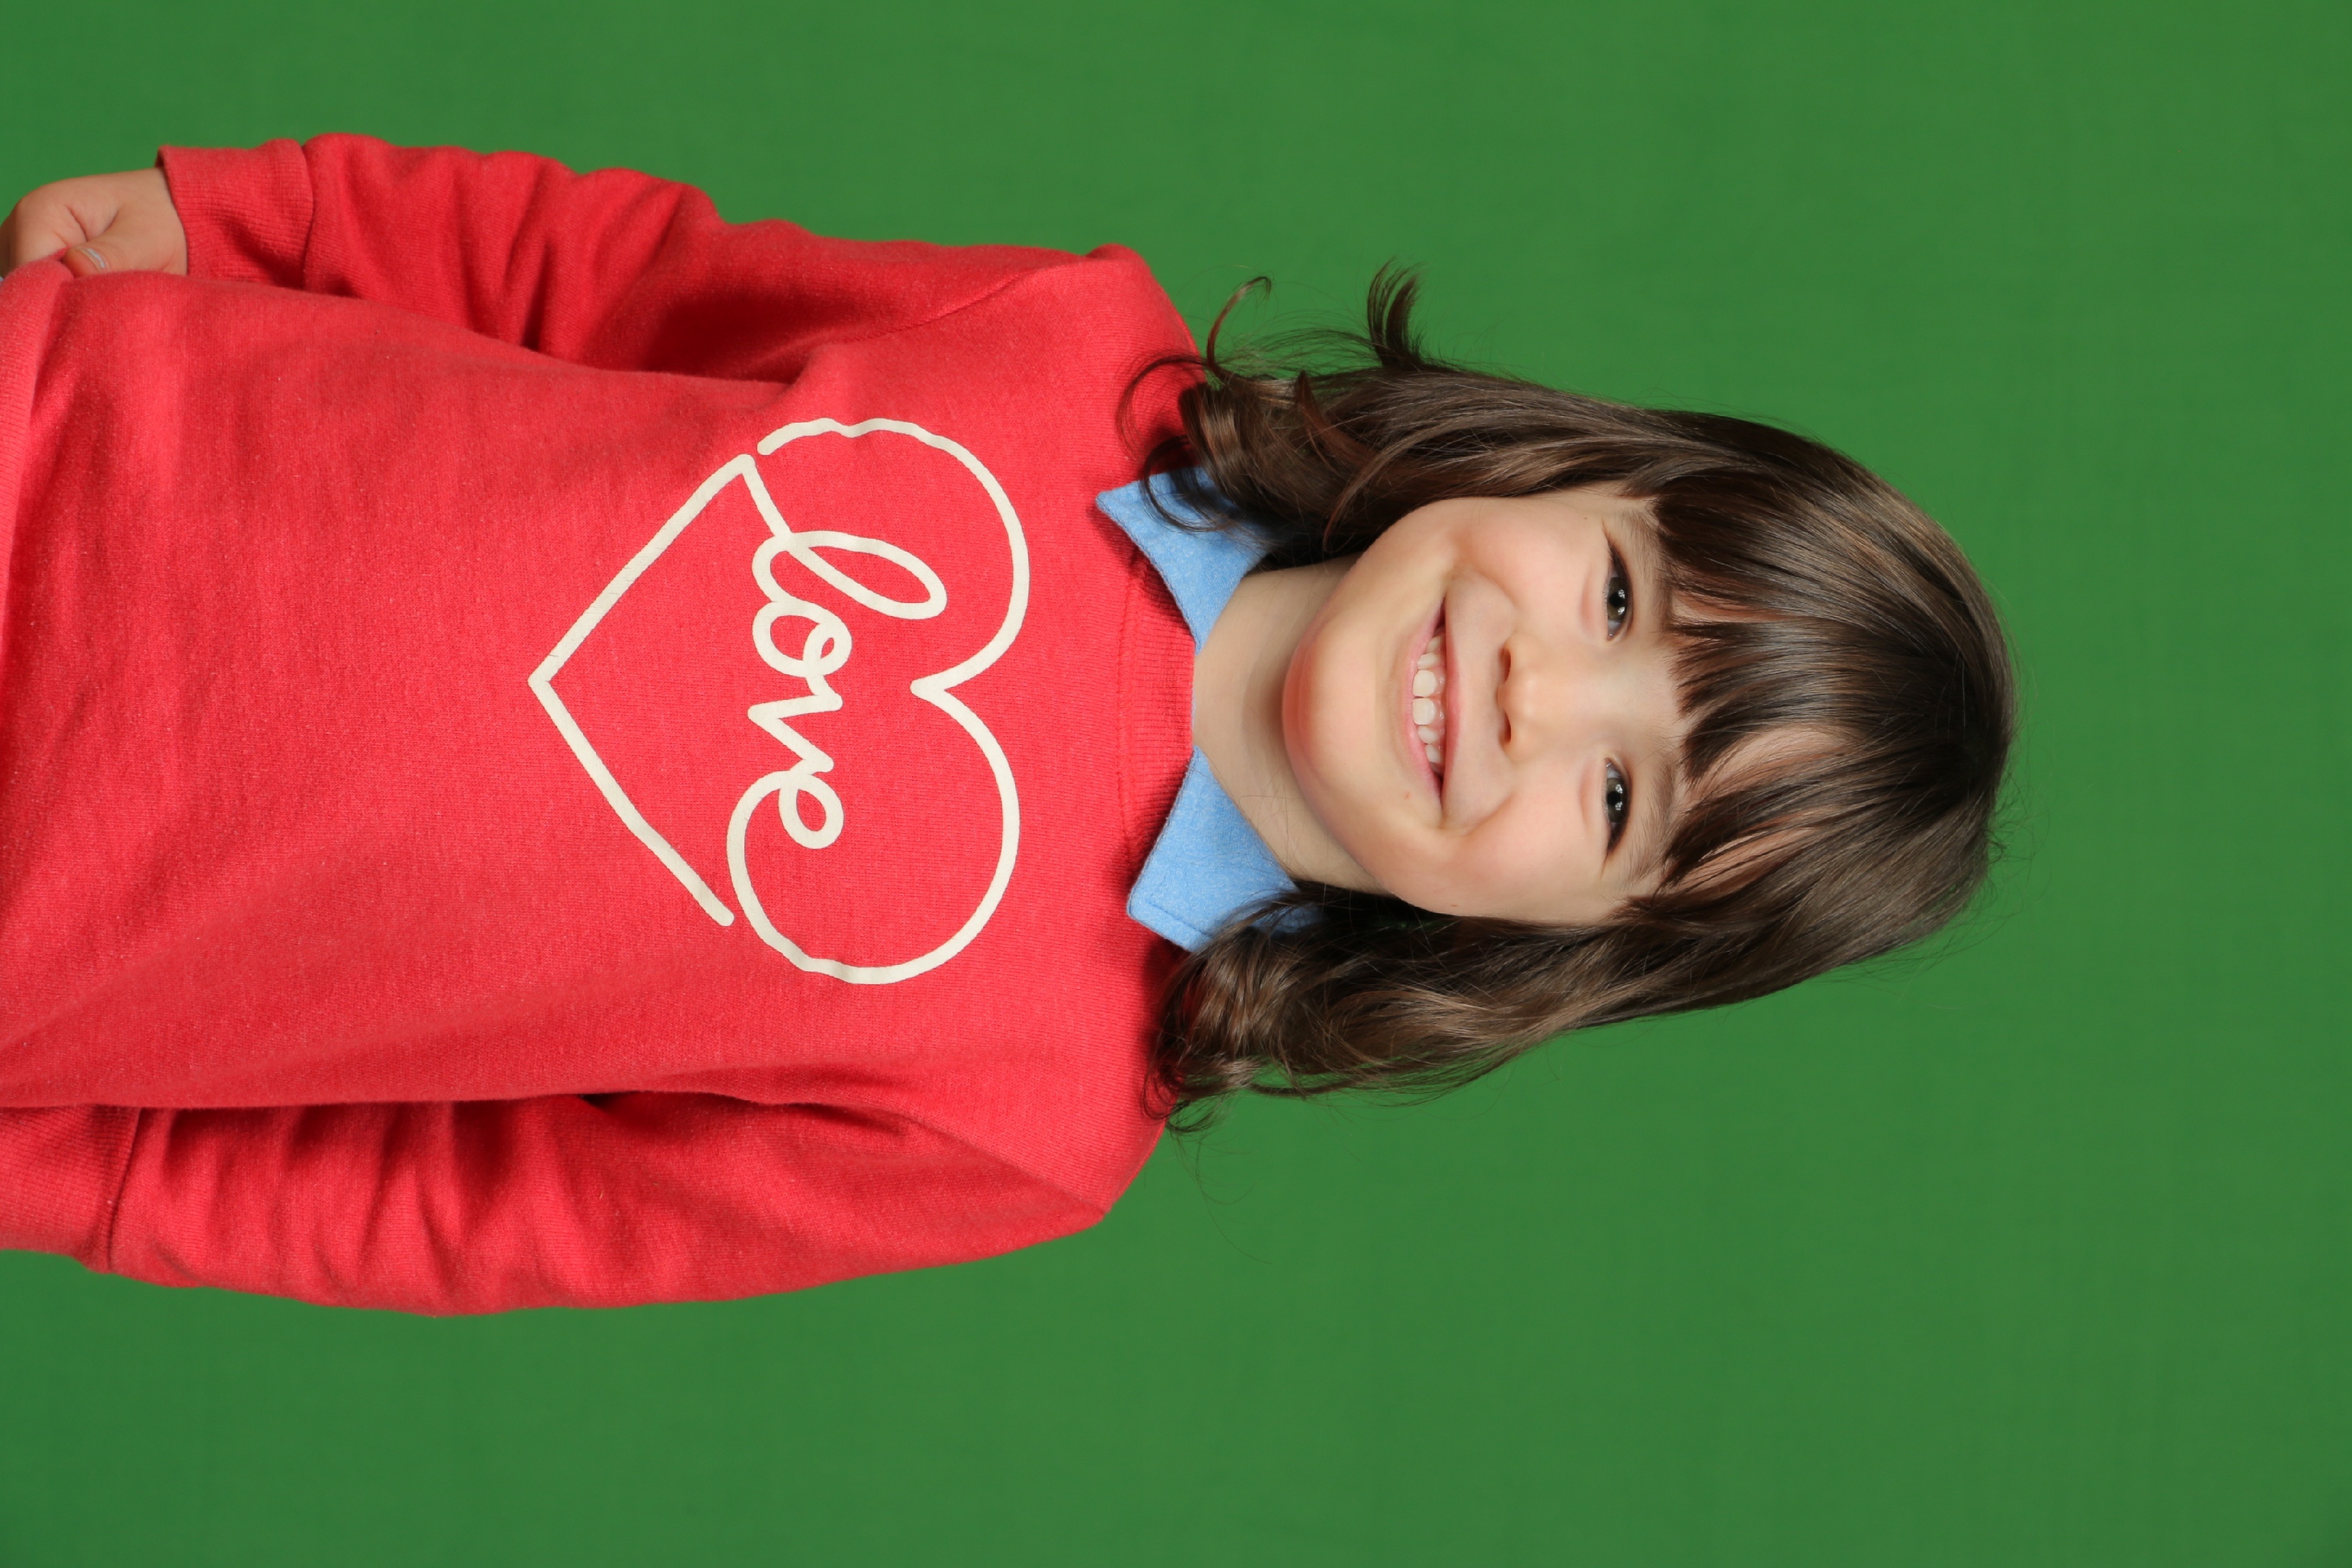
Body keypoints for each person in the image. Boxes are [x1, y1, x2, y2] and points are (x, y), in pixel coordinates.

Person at [0, 136, 2012, 1313]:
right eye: (1618, 601)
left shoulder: (1024, 1121)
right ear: (1576, 472)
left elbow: (484, 1212)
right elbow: (612, 277)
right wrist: (251, 214)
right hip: (63, 422)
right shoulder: (1064, 347)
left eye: (1619, 791)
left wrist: (72, 1181)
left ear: (1568, 944)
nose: (1530, 690)